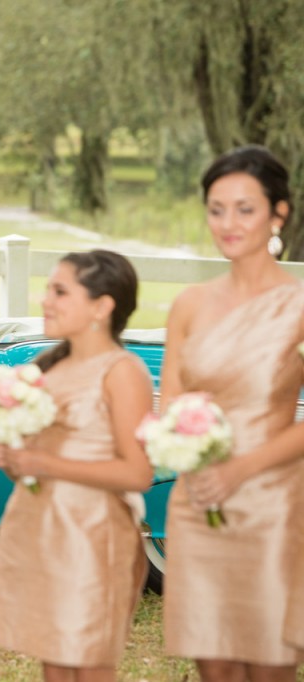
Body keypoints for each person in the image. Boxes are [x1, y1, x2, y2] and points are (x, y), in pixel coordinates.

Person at [159, 145, 304, 681]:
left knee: (269, 665)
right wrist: (190, 462)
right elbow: (171, 404)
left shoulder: (299, 306)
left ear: (278, 213)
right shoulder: (189, 305)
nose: (228, 223)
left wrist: (239, 469)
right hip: (198, 502)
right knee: (214, 663)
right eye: (216, 209)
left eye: (245, 208)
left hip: (273, 503)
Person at [0, 249, 155, 682]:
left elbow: (138, 473)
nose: (46, 301)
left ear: (102, 306)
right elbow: (34, 468)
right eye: (47, 289)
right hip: (40, 528)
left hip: (93, 536)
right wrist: (13, 461)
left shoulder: (122, 371)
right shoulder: (45, 368)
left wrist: (44, 461)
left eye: (60, 291)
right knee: (54, 662)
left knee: (89, 660)